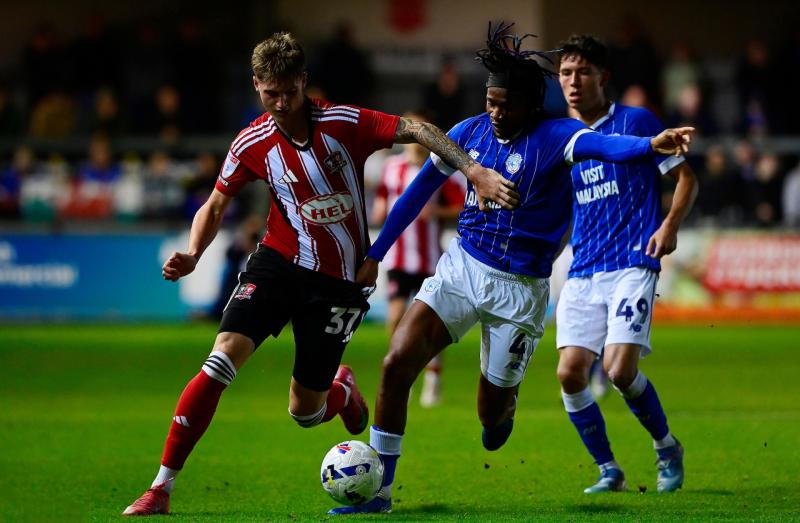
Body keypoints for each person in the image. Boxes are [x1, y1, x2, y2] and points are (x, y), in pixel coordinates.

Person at [121, 31, 516, 517]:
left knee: (305, 412)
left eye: (290, 91)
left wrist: (470, 169)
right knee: (221, 358)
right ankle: (160, 488)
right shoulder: (251, 143)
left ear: (304, 82)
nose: (282, 102)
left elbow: (420, 130)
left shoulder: (343, 122)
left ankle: (340, 389)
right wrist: (194, 252)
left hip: (338, 283)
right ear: (256, 88)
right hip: (277, 263)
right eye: (271, 93)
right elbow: (217, 203)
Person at [331, 22, 695, 515]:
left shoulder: (558, 135)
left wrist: (650, 147)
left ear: (529, 104)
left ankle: (505, 405)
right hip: (462, 267)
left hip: (519, 292)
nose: (496, 113)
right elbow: (415, 194)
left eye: (505, 105)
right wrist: (375, 254)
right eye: (490, 102)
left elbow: (606, 148)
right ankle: (379, 493)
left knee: (491, 422)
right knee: (396, 365)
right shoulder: (470, 134)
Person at [554, 34, 698, 494]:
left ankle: (665, 446)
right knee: (569, 372)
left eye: (582, 73)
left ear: (603, 77)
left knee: (618, 370)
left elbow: (686, 179)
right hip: (583, 269)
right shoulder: (562, 138)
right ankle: (608, 469)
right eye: (565, 74)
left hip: (633, 261)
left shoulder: (636, 122)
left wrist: (670, 225)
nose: (573, 83)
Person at [372, 111, 466, 407]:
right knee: (395, 317)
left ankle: (433, 378)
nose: (415, 143)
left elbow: (462, 206)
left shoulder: (438, 169)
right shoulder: (391, 168)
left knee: (431, 325)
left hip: (429, 260)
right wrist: (377, 214)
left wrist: (435, 214)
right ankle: (400, 372)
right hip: (398, 257)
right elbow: (382, 202)